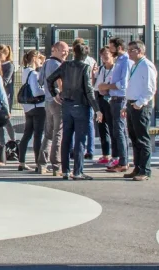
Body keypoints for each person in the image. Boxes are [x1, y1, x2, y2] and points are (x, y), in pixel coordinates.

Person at [45, 41, 98, 180]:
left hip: (67, 104)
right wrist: (97, 109)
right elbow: (89, 90)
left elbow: (50, 79)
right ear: (86, 55)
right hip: (81, 105)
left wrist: (55, 93)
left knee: (66, 138)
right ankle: (77, 171)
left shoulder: (66, 65)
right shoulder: (85, 68)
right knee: (80, 140)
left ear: (74, 53)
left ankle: (65, 170)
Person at [123, 40, 157, 181]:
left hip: (140, 105)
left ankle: (145, 170)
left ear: (140, 51)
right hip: (132, 104)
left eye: (132, 50)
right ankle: (137, 168)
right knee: (134, 137)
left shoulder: (146, 65)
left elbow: (150, 88)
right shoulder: (135, 65)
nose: (129, 52)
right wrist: (127, 104)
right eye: (128, 50)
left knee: (142, 138)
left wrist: (140, 102)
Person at [36, 41, 68, 174]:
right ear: (54, 49)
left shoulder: (46, 63)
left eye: (67, 50)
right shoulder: (57, 65)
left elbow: (40, 80)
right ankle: (56, 165)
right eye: (63, 50)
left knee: (48, 134)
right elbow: (60, 83)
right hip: (57, 101)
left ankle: (41, 164)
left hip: (48, 102)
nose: (65, 53)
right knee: (58, 134)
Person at [101, 37, 132, 173]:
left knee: (119, 130)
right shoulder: (119, 61)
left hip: (120, 98)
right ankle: (121, 159)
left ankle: (123, 161)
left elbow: (123, 83)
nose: (109, 49)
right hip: (114, 97)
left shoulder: (125, 61)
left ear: (119, 47)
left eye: (111, 47)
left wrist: (107, 86)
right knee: (118, 130)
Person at [17, 50, 45, 171]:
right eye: (40, 59)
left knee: (27, 134)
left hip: (27, 107)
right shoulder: (33, 73)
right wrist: (46, 91)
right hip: (37, 106)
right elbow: (36, 91)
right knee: (38, 135)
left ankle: (21, 162)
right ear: (34, 59)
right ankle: (39, 163)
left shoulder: (25, 71)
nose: (41, 62)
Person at [93, 47, 116, 164]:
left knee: (112, 127)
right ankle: (105, 154)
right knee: (101, 126)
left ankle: (115, 155)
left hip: (110, 99)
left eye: (107, 54)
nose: (104, 57)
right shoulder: (101, 69)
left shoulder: (115, 69)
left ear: (112, 55)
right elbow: (95, 85)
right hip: (100, 99)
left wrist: (105, 87)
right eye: (102, 55)